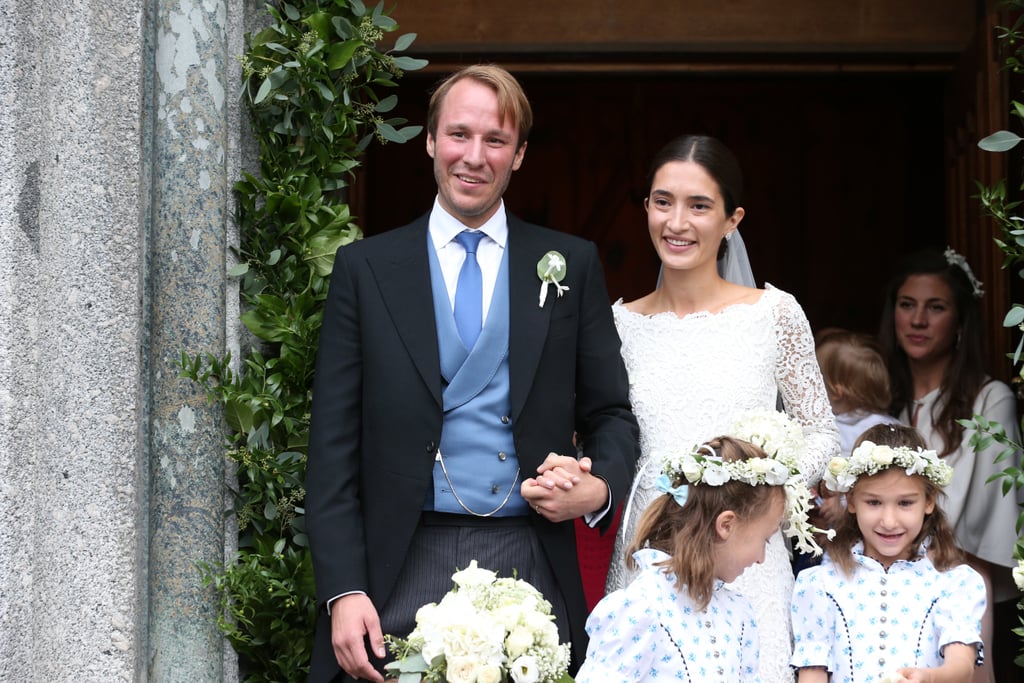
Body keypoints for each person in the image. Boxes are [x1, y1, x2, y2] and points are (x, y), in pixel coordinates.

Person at [303, 64, 640, 683]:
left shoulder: (569, 265)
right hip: (397, 563)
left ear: (519, 155)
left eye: (496, 141)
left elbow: (611, 415)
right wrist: (344, 589)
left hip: (529, 552)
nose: (474, 157)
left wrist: (599, 489)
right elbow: (331, 448)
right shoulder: (365, 269)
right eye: (459, 135)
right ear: (430, 140)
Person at [605, 134, 839, 682]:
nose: (677, 222)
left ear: (732, 219)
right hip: (652, 552)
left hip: (748, 557)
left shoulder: (774, 314)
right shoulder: (618, 326)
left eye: (699, 206)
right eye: (662, 202)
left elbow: (822, 433)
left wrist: (757, 487)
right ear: (646, 208)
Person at [878, 246, 1022, 683]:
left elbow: (986, 513)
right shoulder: (879, 399)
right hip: (878, 582)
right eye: (907, 305)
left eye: (935, 307)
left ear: (960, 321)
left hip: (954, 573)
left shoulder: (988, 399)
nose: (918, 320)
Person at [577, 435, 791, 682]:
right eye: (764, 540)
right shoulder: (642, 608)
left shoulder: (738, 613)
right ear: (726, 525)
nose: (762, 558)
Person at [791, 423, 986, 682]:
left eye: (905, 503)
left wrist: (928, 678)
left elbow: (962, 667)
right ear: (851, 501)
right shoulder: (820, 585)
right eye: (874, 502)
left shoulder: (953, 584)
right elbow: (812, 674)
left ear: (928, 502)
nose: (889, 521)